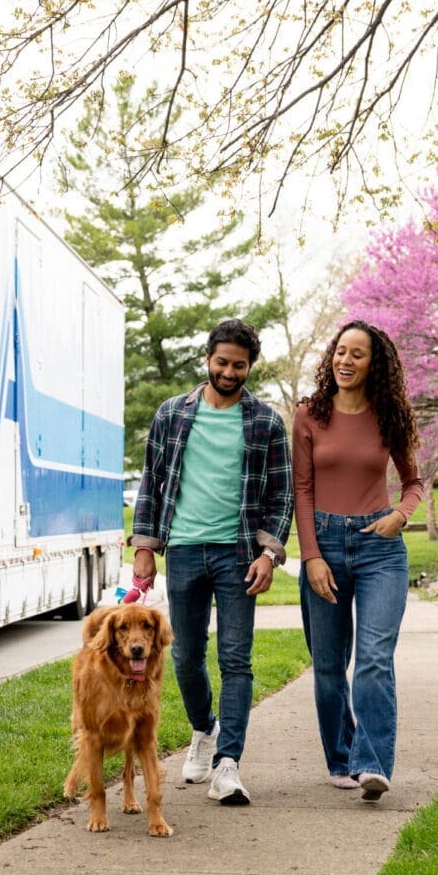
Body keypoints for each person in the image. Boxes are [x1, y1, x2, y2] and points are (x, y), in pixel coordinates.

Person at [129, 319, 293, 805]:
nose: (229, 372)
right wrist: (144, 547)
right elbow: (151, 481)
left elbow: (281, 495)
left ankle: (228, 763)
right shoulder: (172, 413)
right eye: (222, 362)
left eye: (239, 365)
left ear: (250, 366)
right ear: (207, 359)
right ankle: (204, 729)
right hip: (183, 549)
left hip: (238, 554)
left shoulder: (265, 421)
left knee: (236, 658)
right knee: (184, 655)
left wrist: (269, 554)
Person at [292, 320, 422, 800]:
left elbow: (413, 483)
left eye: (357, 354)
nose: (345, 361)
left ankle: (372, 764)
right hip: (324, 545)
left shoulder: (389, 416)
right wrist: (311, 556)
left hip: (379, 551)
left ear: (374, 364)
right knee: (329, 667)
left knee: (373, 659)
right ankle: (341, 757)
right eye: (340, 351)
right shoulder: (309, 415)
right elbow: (302, 490)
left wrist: (400, 516)